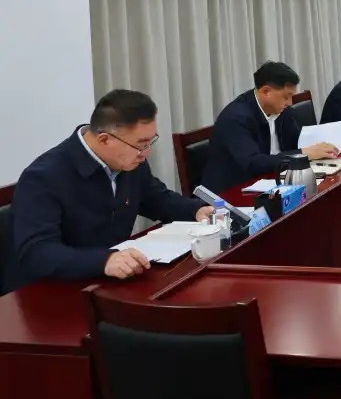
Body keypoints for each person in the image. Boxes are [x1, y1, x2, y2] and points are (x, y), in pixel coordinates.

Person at [3, 90, 213, 292]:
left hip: (110, 283)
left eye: (150, 141)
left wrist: (195, 210)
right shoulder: (43, 177)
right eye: (141, 144)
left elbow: (154, 197)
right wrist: (104, 261)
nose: (146, 152)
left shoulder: (129, 159)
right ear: (104, 139)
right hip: (52, 293)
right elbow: (37, 253)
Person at [204, 62, 338, 192]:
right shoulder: (236, 118)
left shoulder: (282, 111)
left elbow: (298, 142)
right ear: (266, 91)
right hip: (233, 192)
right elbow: (253, 163)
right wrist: (303, 154)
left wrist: (325, 148)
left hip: (275, 180)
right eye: (286, 97)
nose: (290, 103)